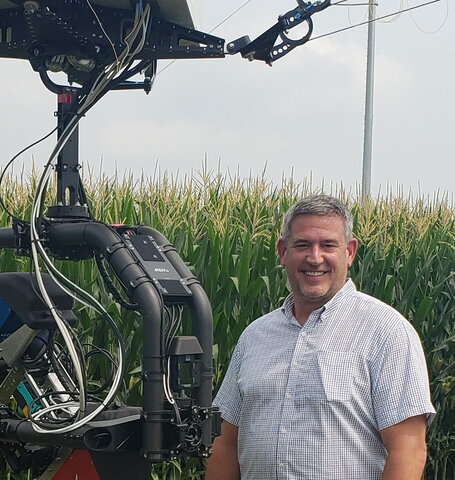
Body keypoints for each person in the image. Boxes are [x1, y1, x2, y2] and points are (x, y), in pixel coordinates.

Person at [206, 194, 436, 480]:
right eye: (302, 245)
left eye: (328, 245)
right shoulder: (255, 336)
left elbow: (408, 448)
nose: (315, 258)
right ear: (282, 251)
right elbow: (225, 443)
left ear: (350, 252)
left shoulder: (386, 331)